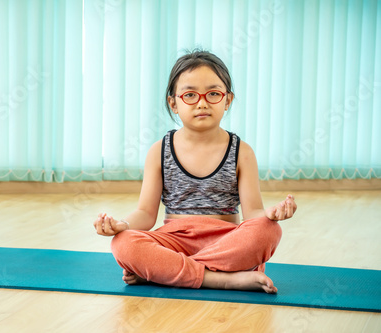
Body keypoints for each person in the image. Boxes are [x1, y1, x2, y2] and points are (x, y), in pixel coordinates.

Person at [93, 50, 297, 294]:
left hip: (226, 242)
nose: (202, 102)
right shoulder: (159, 151)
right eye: (190, 95)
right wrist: (122, 225)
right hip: (174, 242)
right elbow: (146, 214)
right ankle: (222, 279)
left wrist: (271, 215)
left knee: (269, 231)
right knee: (124, 243)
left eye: (213, 94)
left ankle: (166, 273)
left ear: (227, 100)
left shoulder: (242, 152)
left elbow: (252, 214)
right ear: (174, 103)